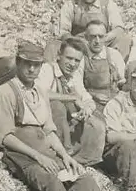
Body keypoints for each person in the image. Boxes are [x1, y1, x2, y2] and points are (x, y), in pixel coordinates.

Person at [0, 41, 114, 191]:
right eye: (26, 64)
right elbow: (4, 137)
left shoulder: (40, 91)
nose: (31, 69)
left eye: (36, 65)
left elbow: (49, 130)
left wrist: (65, 156)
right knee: (52, 180)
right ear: (18, 63)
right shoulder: (5, 92)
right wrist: (38, 157)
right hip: (22, 155)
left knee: (82, 177)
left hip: (46, 151)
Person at [37, 37, 106, 166]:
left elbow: (87, 99)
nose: (72, 64)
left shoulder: (74, 77)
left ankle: (85, 159)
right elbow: (41, 93)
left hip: (66, 123)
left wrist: (86, 109)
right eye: (69, 58)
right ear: (58, 56)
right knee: (57, 106)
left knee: (97, 120)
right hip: (45, 122)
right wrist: (73, 98)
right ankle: (60, 153)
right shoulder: (47, 69)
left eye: (77, 60)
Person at [47, 0, 131, 62]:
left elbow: (118, 28)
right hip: (77, 46)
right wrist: (79, 42)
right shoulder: (70, 6)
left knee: (124, 40)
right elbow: (63, 32)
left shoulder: (108, 5)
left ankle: (117, 70)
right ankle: (54, 73)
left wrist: (103, 39)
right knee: (52, 46)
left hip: (101, 44)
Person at [82, 19, 127, 108]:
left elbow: (123, 81)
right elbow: (77, 85)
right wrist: (92, 95)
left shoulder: (114, 55)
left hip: (113, 100)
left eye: (101, 36)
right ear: (86, 37)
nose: (97, 41)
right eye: (93, 36)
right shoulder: (81, 56)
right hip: (90, 101)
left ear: (105, 37)